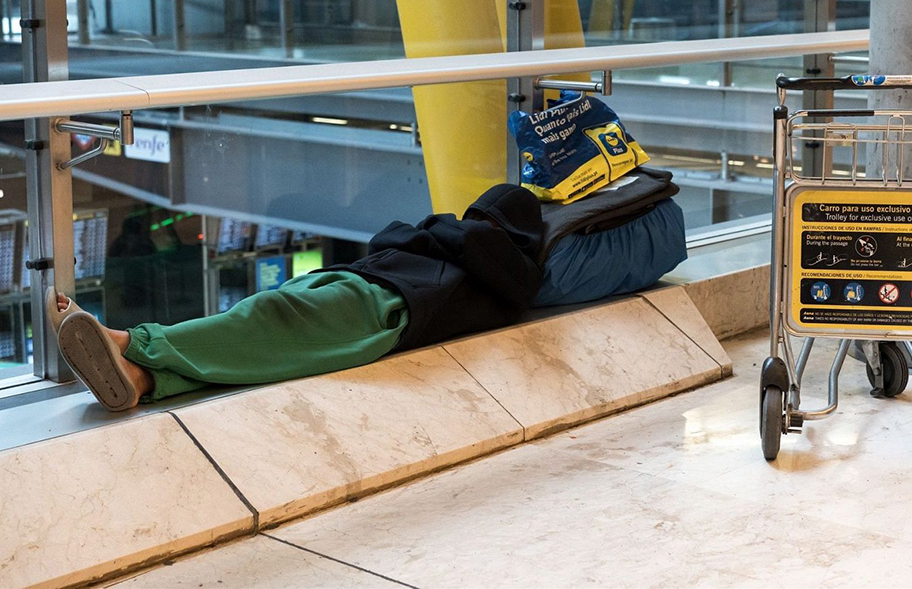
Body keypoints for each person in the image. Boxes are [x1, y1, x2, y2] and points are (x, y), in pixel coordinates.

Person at [49, 184, 544, 411]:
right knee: (259, 343)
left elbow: (424, 236)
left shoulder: (507, 264)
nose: (469, 223)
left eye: (484, 217)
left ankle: (131, 341)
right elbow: (389, 238)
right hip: (356, 283)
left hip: (382, 305)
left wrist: (444, 228)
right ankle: (142, 379)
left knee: (264, 317)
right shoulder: (461, 247)